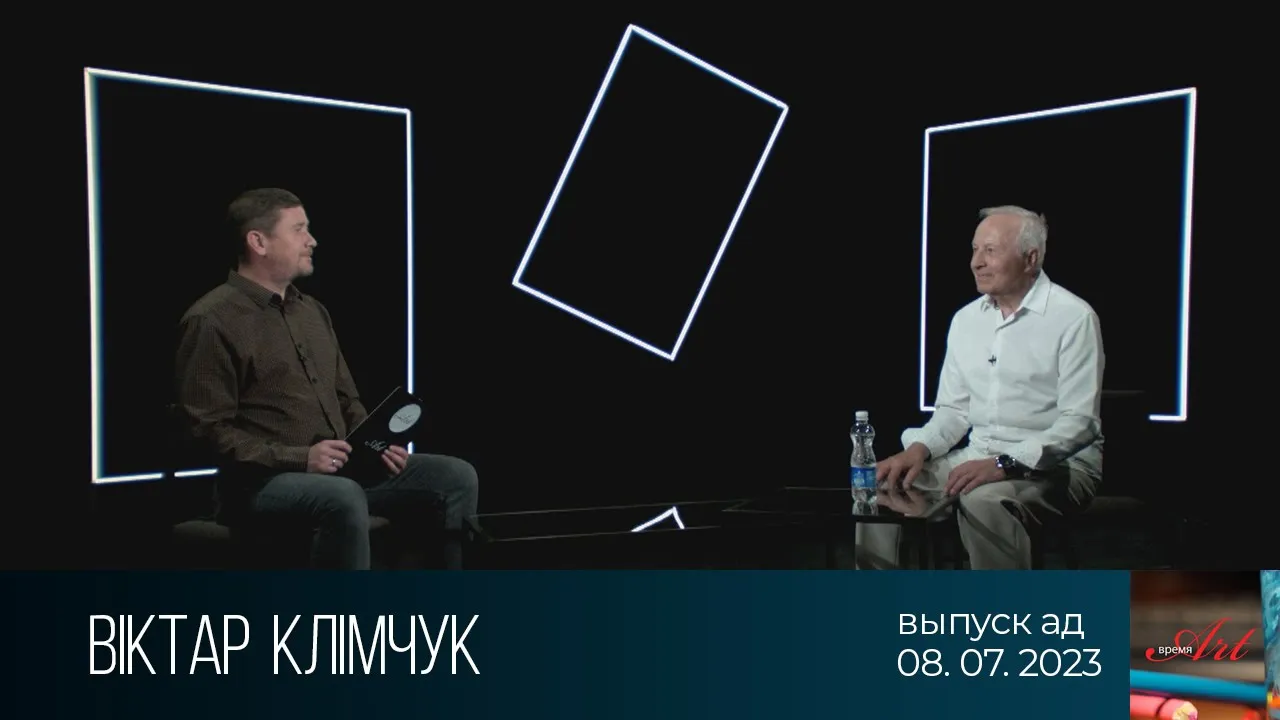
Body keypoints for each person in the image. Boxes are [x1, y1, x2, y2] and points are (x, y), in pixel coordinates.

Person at [173, 188, 479, 570]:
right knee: (343, 496)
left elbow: (346, 398)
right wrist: (301, 458)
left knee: (455, 476)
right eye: (299, 229)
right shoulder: (212, 320)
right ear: (258, 242)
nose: (312, 240)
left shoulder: (312, 312)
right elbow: (204, 430)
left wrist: (375, 445)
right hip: (259, 485)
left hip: (340, 472)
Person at [856, 205, 1104, 570]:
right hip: (978, 454)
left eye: (990, 251)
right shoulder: (966, 320)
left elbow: (1080, 423)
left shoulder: (1073, 317)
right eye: (974, 250)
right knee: (879, 488)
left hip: (1059, 467)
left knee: (983, 500)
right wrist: (920, 448)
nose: (976, 262)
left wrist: (1005, 463)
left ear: (1030, 258)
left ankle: (999, 605)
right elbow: (954, 411)